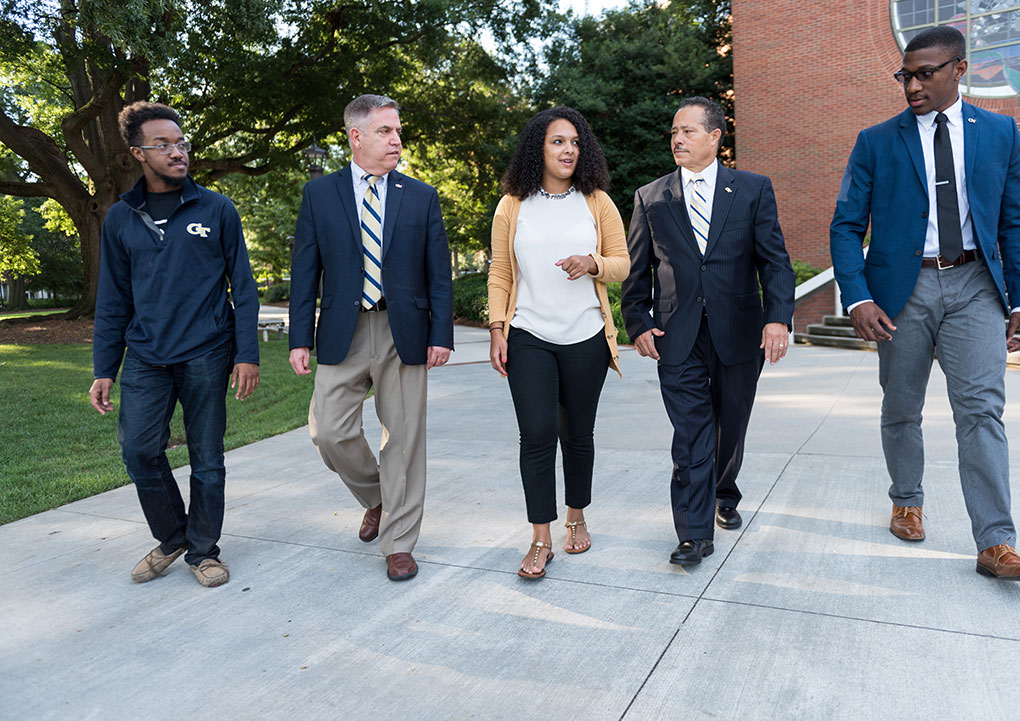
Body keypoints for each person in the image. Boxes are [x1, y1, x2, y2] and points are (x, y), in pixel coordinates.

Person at [830, 26, 1020, 581]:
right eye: (906, 74)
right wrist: (857, 297)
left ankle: (996, 541)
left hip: (976, 285)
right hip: (905, 291)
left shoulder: (998, 133)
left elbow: (1017, 221)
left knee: (981, 411)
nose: (912, 85)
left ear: (960, 69)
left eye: (926, 73)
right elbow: (847, 225)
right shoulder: (877, 141)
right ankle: (906, 498)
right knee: (901, 406)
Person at [90, 101, 260, 588]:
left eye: (181, 142)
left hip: (207, 351)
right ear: (137, 153)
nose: (177, 151)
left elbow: (243, 288)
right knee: (139, 451)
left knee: (207, 457)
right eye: (162, 145)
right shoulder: (121, 218)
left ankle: (204, 551)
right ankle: (173, 537)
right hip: (145, 354)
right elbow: (113, 300)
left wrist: (245, 353)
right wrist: (105, 367)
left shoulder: (217, 208)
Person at [622, 96, 795, 566]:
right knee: (692, 435)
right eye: (674, 132)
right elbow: (637, 272)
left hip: (739, 333)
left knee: (730, 427)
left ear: (716, 136)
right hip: (677, 338)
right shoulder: (650, 196)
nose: (677, 139)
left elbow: (774, 261)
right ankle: (693, 534)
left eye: (688, 131)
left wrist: (777, 317)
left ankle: (724, 489)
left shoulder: (754, 189)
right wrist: (637, 322)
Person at [288, 94, 453, 582]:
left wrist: (441, 333)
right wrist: (300, 338)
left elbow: (438, 274)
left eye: (398, 130)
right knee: (328, 431)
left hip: (406, 330)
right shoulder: (320, 194)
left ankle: (399, 543)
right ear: (356, 136)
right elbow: (304, 272)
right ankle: (380, 497)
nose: (396, 139)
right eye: (385, 131)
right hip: (344, 329)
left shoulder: (420, 196)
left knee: (403, 440)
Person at [488, 107, 629, 580]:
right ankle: (540, 538)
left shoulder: (597, 201)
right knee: (537, 435)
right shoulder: (512, 204)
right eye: (557, 142)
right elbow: (501, 273)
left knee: (577, 435)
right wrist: (496, 329)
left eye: (574, 142)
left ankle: (578, 515)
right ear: (538, 149)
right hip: (527, 334)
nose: (568, 150)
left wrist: (592, 263)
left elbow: (622, 263)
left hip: (586, 335)